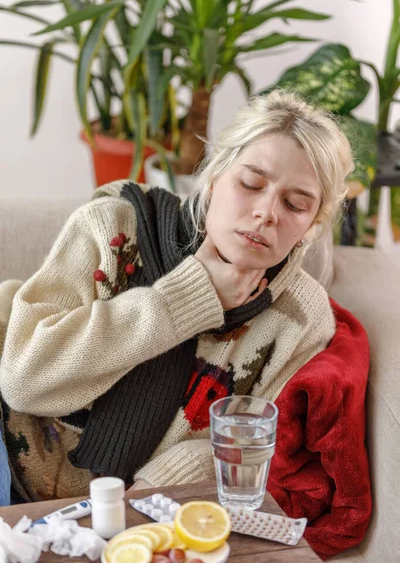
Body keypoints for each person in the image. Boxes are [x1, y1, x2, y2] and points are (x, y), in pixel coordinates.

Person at [0, 89, 354, 506]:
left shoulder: (301, 318)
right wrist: (186, 298)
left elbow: (246, 450)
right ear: (215, 174)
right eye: (250, 183)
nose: (266, 212)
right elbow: (24, 382)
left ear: (312, 224)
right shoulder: (112, 226)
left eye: (295, 204)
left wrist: (137, 511)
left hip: (129, 510)